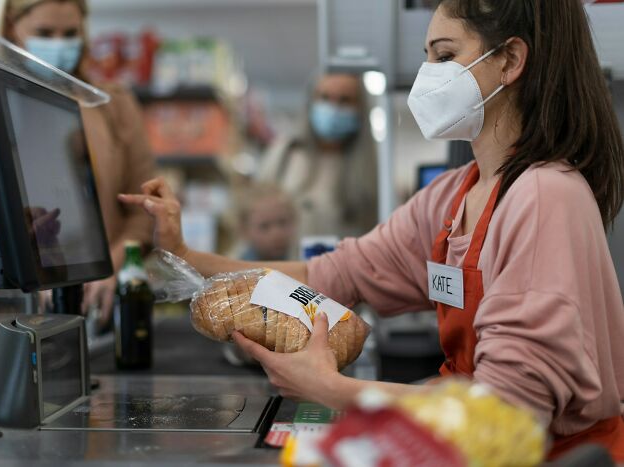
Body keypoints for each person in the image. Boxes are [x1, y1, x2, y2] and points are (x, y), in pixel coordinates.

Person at [120, 0, 624, 460]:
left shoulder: (542, 197)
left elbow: (508, 412)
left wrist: (331, 389)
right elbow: (331, 274)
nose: (429, 75)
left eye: (445, 56)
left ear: (511, 61)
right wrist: (183, 253)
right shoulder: (453, 196)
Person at [0, 0, 154, 322]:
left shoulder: (111, 103)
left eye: (70, 33)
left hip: (92, 312)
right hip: (1, 315)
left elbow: (143, 209)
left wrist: (113, 263)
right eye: (45, 32)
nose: (59, 44)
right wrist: (27, 272)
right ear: (10, 29)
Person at [258, 73, 377, 239]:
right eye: (325, 97)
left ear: (360, 109)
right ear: (311, 102)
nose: (333, 108)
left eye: (345, 100)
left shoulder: (371, 171)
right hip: (284, 264)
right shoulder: (283, 155)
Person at [234, 182, 297, 262]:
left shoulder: (304, 263)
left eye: (282, 222)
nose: (277, 234)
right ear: (244, 231)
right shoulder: (236, 272)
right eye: (264, 226)